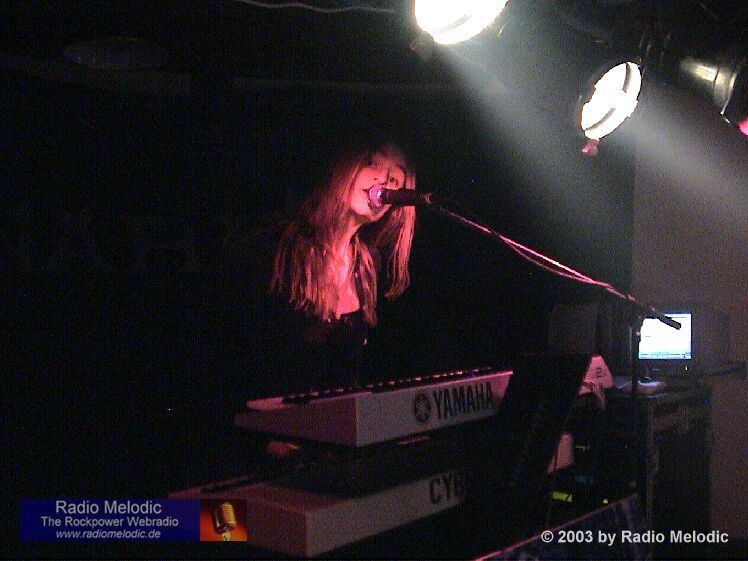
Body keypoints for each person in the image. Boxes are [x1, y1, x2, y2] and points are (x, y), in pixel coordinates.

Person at [229, 143, 417, 398]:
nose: (383, 180)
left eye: (394, 179)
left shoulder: (368, 264)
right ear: (345, 164)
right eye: (372, 163)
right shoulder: (275, 247)